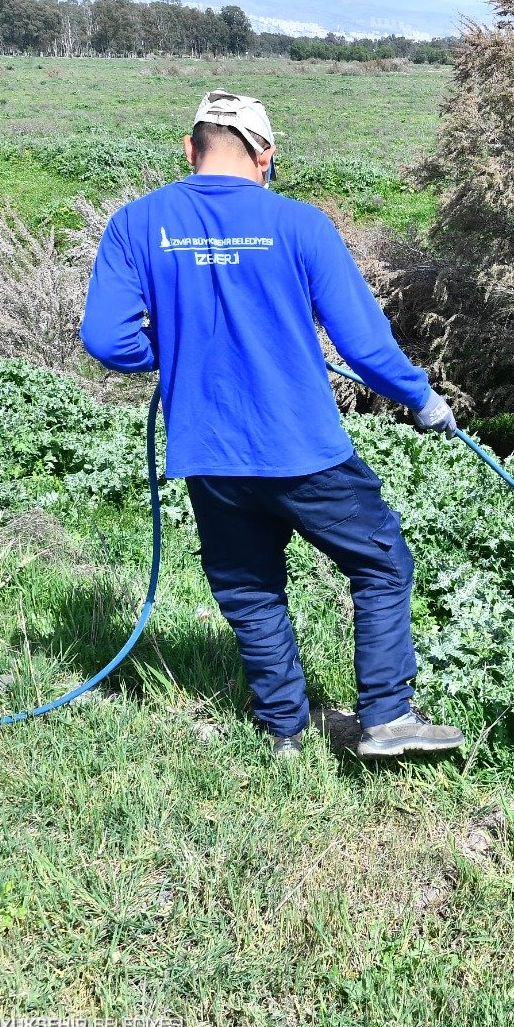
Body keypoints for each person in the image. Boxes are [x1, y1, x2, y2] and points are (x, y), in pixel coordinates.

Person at [80, 89, 463, 761]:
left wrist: (178, 352)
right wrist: (424, 400)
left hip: (208, 452)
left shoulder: (136, 223)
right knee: (379, 561)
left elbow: (107, 341)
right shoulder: (299, 224)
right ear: (266, 157)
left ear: (191, 150)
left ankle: (284, 732)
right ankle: (387, 716)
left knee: (249, 586)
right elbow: (363, 345)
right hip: (301, 446)